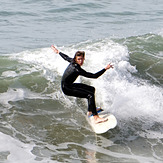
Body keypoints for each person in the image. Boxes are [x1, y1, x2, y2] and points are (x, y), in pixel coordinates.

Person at [51, 45, 113, 123]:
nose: (80, 61)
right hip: (67, 89)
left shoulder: (72, 61)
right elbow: (94, 76)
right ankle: (96, 117)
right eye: (79, 59)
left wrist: (58, 52)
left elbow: (65, 57)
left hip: (69, 85)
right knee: (90, 95)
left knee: (92, 89)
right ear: (76, 59)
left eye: (82, 59)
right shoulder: (77, 69)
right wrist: (105, 68)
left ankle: (90, 110)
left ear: (84, 58)